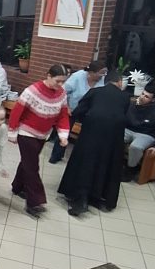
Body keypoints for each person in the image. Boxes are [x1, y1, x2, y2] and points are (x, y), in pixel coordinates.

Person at [57, 71, 129, 216]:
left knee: (86, 163)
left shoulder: (95, 92)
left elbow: (79, 111)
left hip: (91, 133)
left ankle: (80, 197)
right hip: (113, 138)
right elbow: (124, 115)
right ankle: (100, 196)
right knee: (106, 164)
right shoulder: (125, 97)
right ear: (120, 82)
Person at [8, 64, 71, 218]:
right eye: (58, 81)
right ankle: (34, 202)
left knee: (27, 163)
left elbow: (63, 116)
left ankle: (17, 187)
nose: (60, 84)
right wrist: (12, 131)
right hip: (26, 133)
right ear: (48, 76)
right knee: (32, 167)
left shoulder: (62, 94)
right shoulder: (32, 91)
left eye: (63, 81)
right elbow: (17, 112)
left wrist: (63, 135)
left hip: (43, 135)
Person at [49, 61, 106, 164]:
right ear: (91, 72)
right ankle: (56, 155)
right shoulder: (78, 77)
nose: (103, 75)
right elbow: (62, 91)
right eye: (101, 73)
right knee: (65, 131)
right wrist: (67, 107)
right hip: (72, 107)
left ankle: (81, 159)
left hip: (88, 110)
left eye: (104, 72)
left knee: (88, 133)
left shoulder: (101, 80)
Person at [123, 84, 155, 182]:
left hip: (147, 134)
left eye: (146, 97)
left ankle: (131, 169)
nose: (142, 97)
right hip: (128, 129)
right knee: (113, 135)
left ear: (153, 100)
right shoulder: (131, 105)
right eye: (142, 94)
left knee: (136, 147)